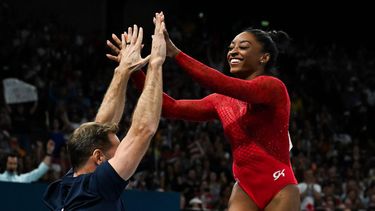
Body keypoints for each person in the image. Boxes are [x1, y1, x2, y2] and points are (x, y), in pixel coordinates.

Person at [107, 16, 300, 210]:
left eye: (243, 46)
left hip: (279, 185)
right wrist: (133, 70)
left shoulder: (273, 87)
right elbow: (168, 107)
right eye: (231, 47)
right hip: (245, 188)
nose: (233, 51)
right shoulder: (220, 100)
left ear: (263, 57)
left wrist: (176, 53)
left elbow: (221, 83)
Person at [43, 12, 166, 210]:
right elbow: (143, 130)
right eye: (116, 154)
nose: (122, 155)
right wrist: (156, 62)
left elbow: (99, 126)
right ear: (99, 157)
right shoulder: (97, 187)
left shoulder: (68, 185)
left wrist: (123, 70)